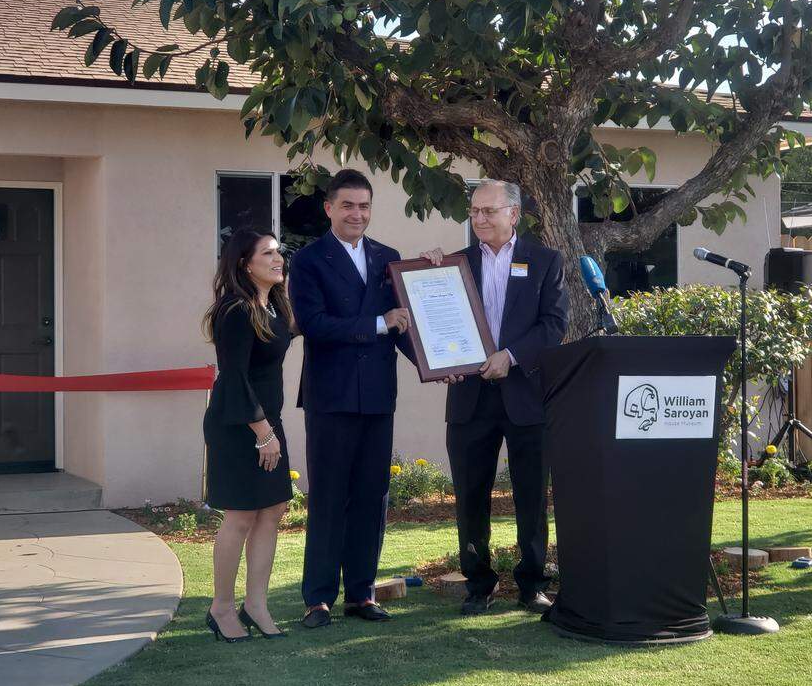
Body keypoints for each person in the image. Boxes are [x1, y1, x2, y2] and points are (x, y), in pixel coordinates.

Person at [421, 179, 568, 615]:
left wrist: (511, 356)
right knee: (469, 495)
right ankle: (478, 583)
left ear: (514, 214)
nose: (480, 218)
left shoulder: (545, 261)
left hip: (526, 397)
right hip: (470, 398)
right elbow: (432, 319)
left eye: (489, 211)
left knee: (531, 496)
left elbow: (553, 325)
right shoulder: (453, 264)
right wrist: (428, 272)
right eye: (475, 211)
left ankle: (532, 583)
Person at [288, 169, 413, 629]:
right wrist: (380, 323)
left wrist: (438, 364)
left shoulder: (389, 258)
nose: (356, 214)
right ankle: (317, 598)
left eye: (363, 206)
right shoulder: (307, 261)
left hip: (378, 396)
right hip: (331, 397)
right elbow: (315, 324)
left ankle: (361, 593)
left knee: (371, 497)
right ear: (329, 208)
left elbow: (405, 325)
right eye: (347, 205)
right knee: (328, 497)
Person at [202, 228, 296, 642]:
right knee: (240, 515)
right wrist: (263, 433)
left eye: (280, 253)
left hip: (267, 422)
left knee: (272, 510)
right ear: (245, 262)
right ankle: (221, 607)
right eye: (269, 253)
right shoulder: (236, 310)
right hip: (240, 425)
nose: (278, 259)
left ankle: (255, 603)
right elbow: (235, 377)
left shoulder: (272, 306)